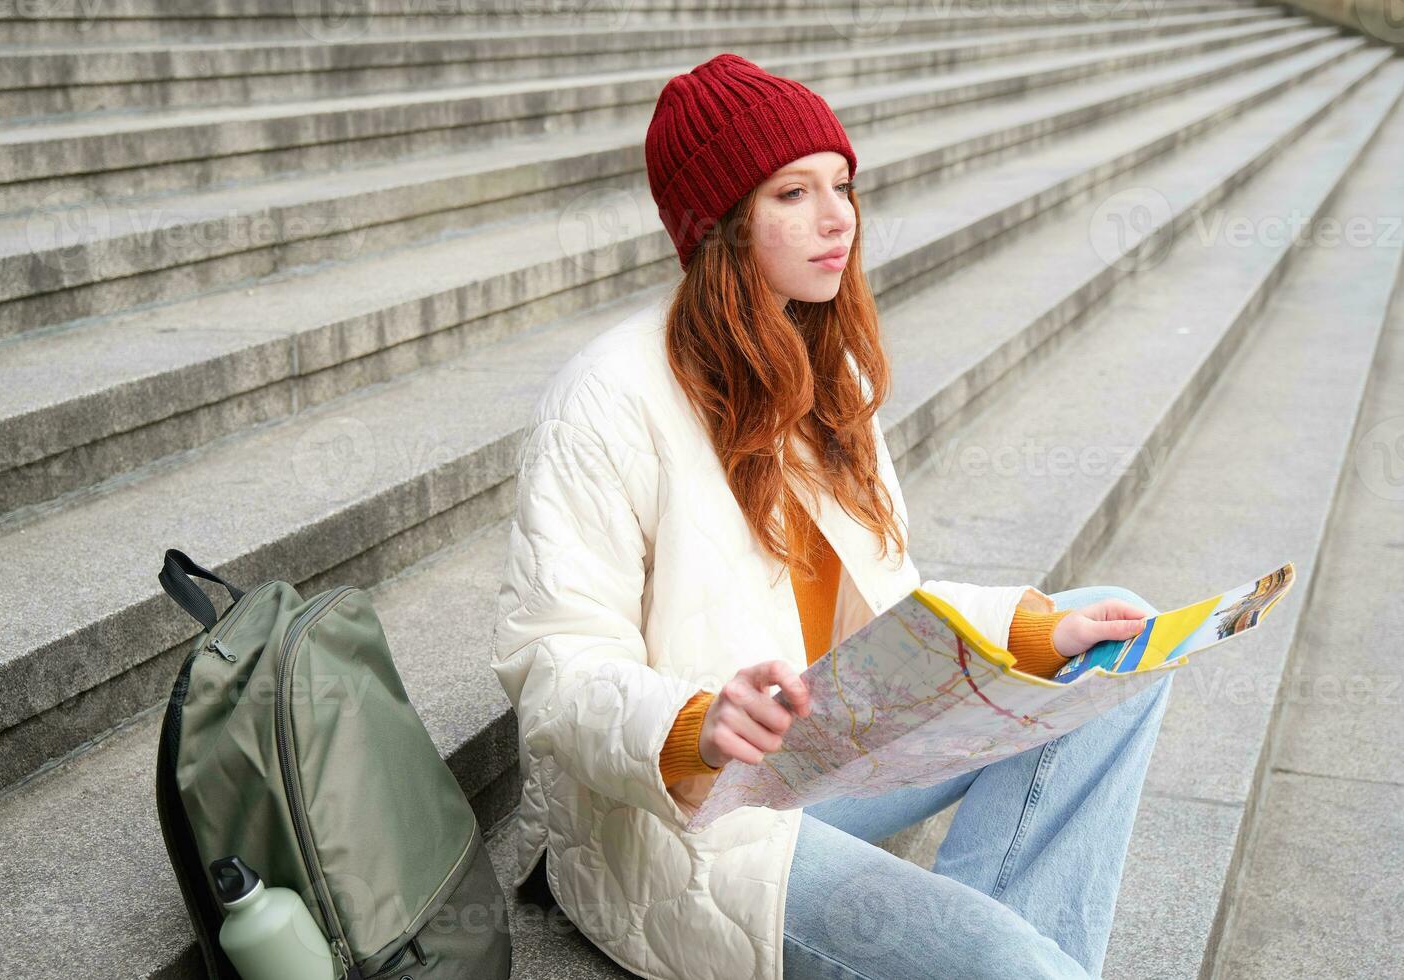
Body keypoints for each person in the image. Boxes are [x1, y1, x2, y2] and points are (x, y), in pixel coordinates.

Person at [491, 52, 1172, 980]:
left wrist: (1034, 629)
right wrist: (695, 723)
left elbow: (892, 614)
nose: (836, 217)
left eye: (842, 185)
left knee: (1117, 642)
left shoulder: (827, 372)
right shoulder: (608, 396)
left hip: (833, 752)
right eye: (792, 193)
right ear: (722, 223)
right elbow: (553, 663)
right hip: (696, 819)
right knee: (1014, 966)